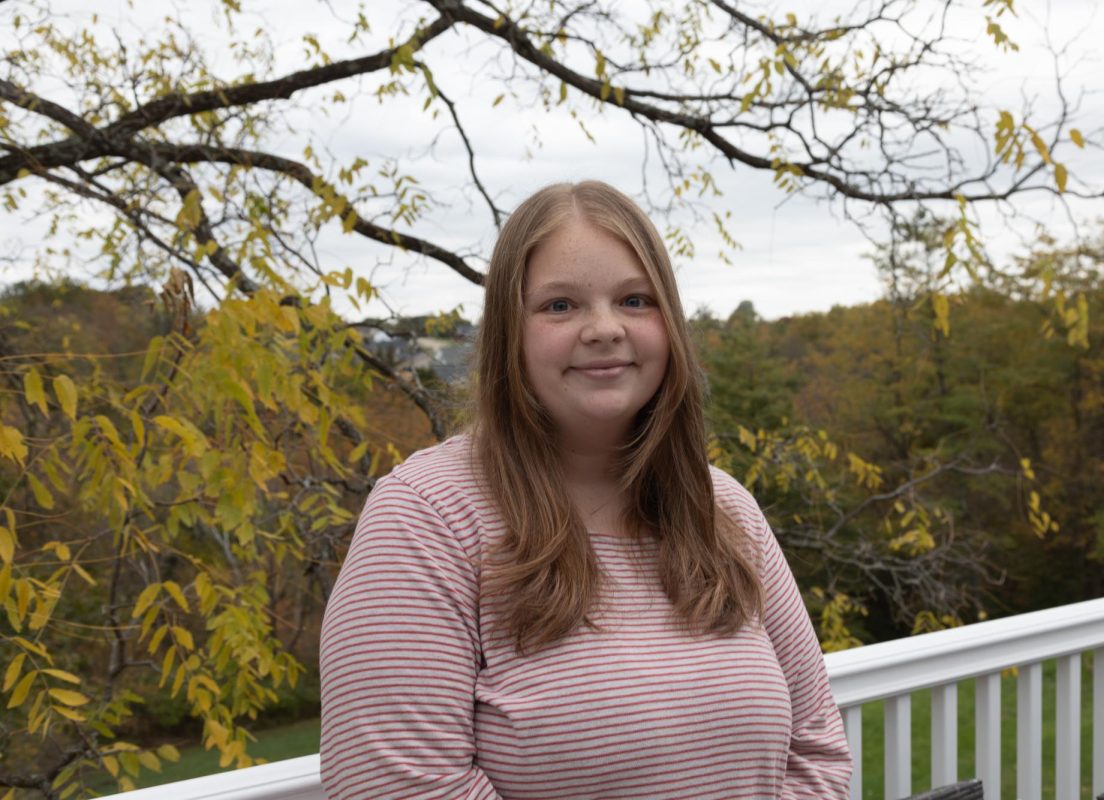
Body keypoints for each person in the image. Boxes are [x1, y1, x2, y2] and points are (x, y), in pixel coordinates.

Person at [319, 181, 852, 799]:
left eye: (634, 300)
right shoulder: (426, 519)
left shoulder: (722, 508)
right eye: (560, 306)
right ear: (507, 335)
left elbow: (815, 748)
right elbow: (399, 787)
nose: (604, 329)